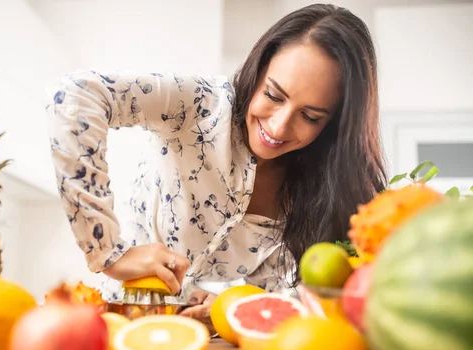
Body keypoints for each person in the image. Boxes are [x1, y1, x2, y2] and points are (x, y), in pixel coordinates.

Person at [44, 3, 387, 321]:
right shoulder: (199, 105)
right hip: (115, 326)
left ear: (334, 124)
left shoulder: (318, 190)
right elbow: (77, 94)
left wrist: (228, 301)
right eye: (272, 95)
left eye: (310, 116)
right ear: (259, 68)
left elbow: (293, 300)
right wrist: (108, 252)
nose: (279, 126)